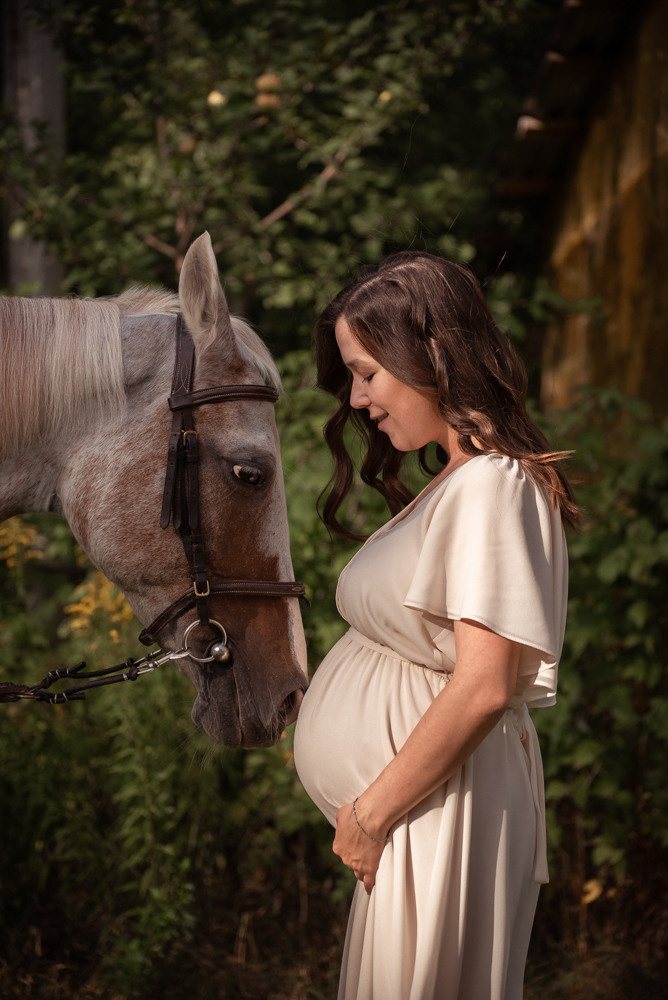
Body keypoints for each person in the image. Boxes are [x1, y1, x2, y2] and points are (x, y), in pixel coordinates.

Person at [293, 250, 580, 1000]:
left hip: (435, 807)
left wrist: (370, 813)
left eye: (367, 373)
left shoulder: (492, 484)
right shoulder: (455, 483)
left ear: (430, 357)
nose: (357, 400)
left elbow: (484, 686)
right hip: (418, 811)